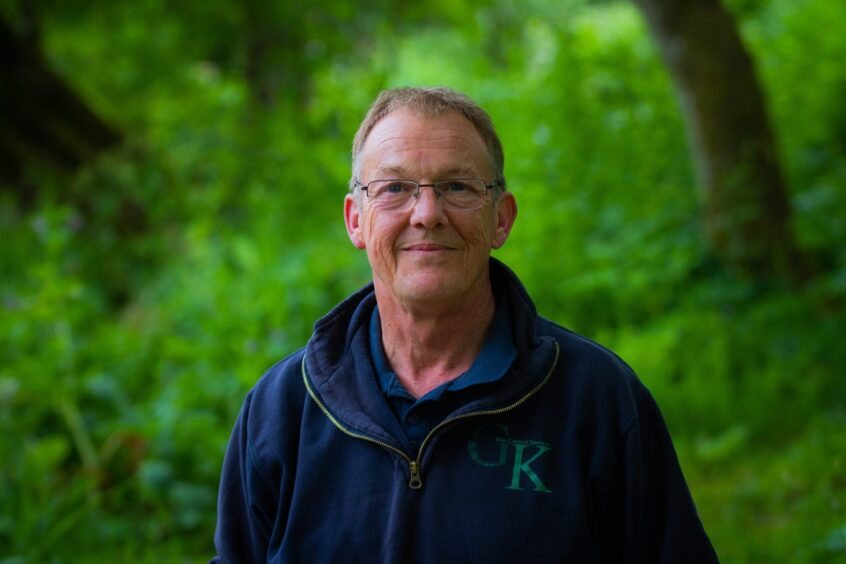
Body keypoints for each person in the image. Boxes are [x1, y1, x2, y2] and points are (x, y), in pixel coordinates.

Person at [212, 87, 718, 563]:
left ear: (501, 218)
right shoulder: (282, 410)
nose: (427, 213)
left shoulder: (598, 400)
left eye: (457, 186)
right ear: (356, 221)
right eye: (394, 188)